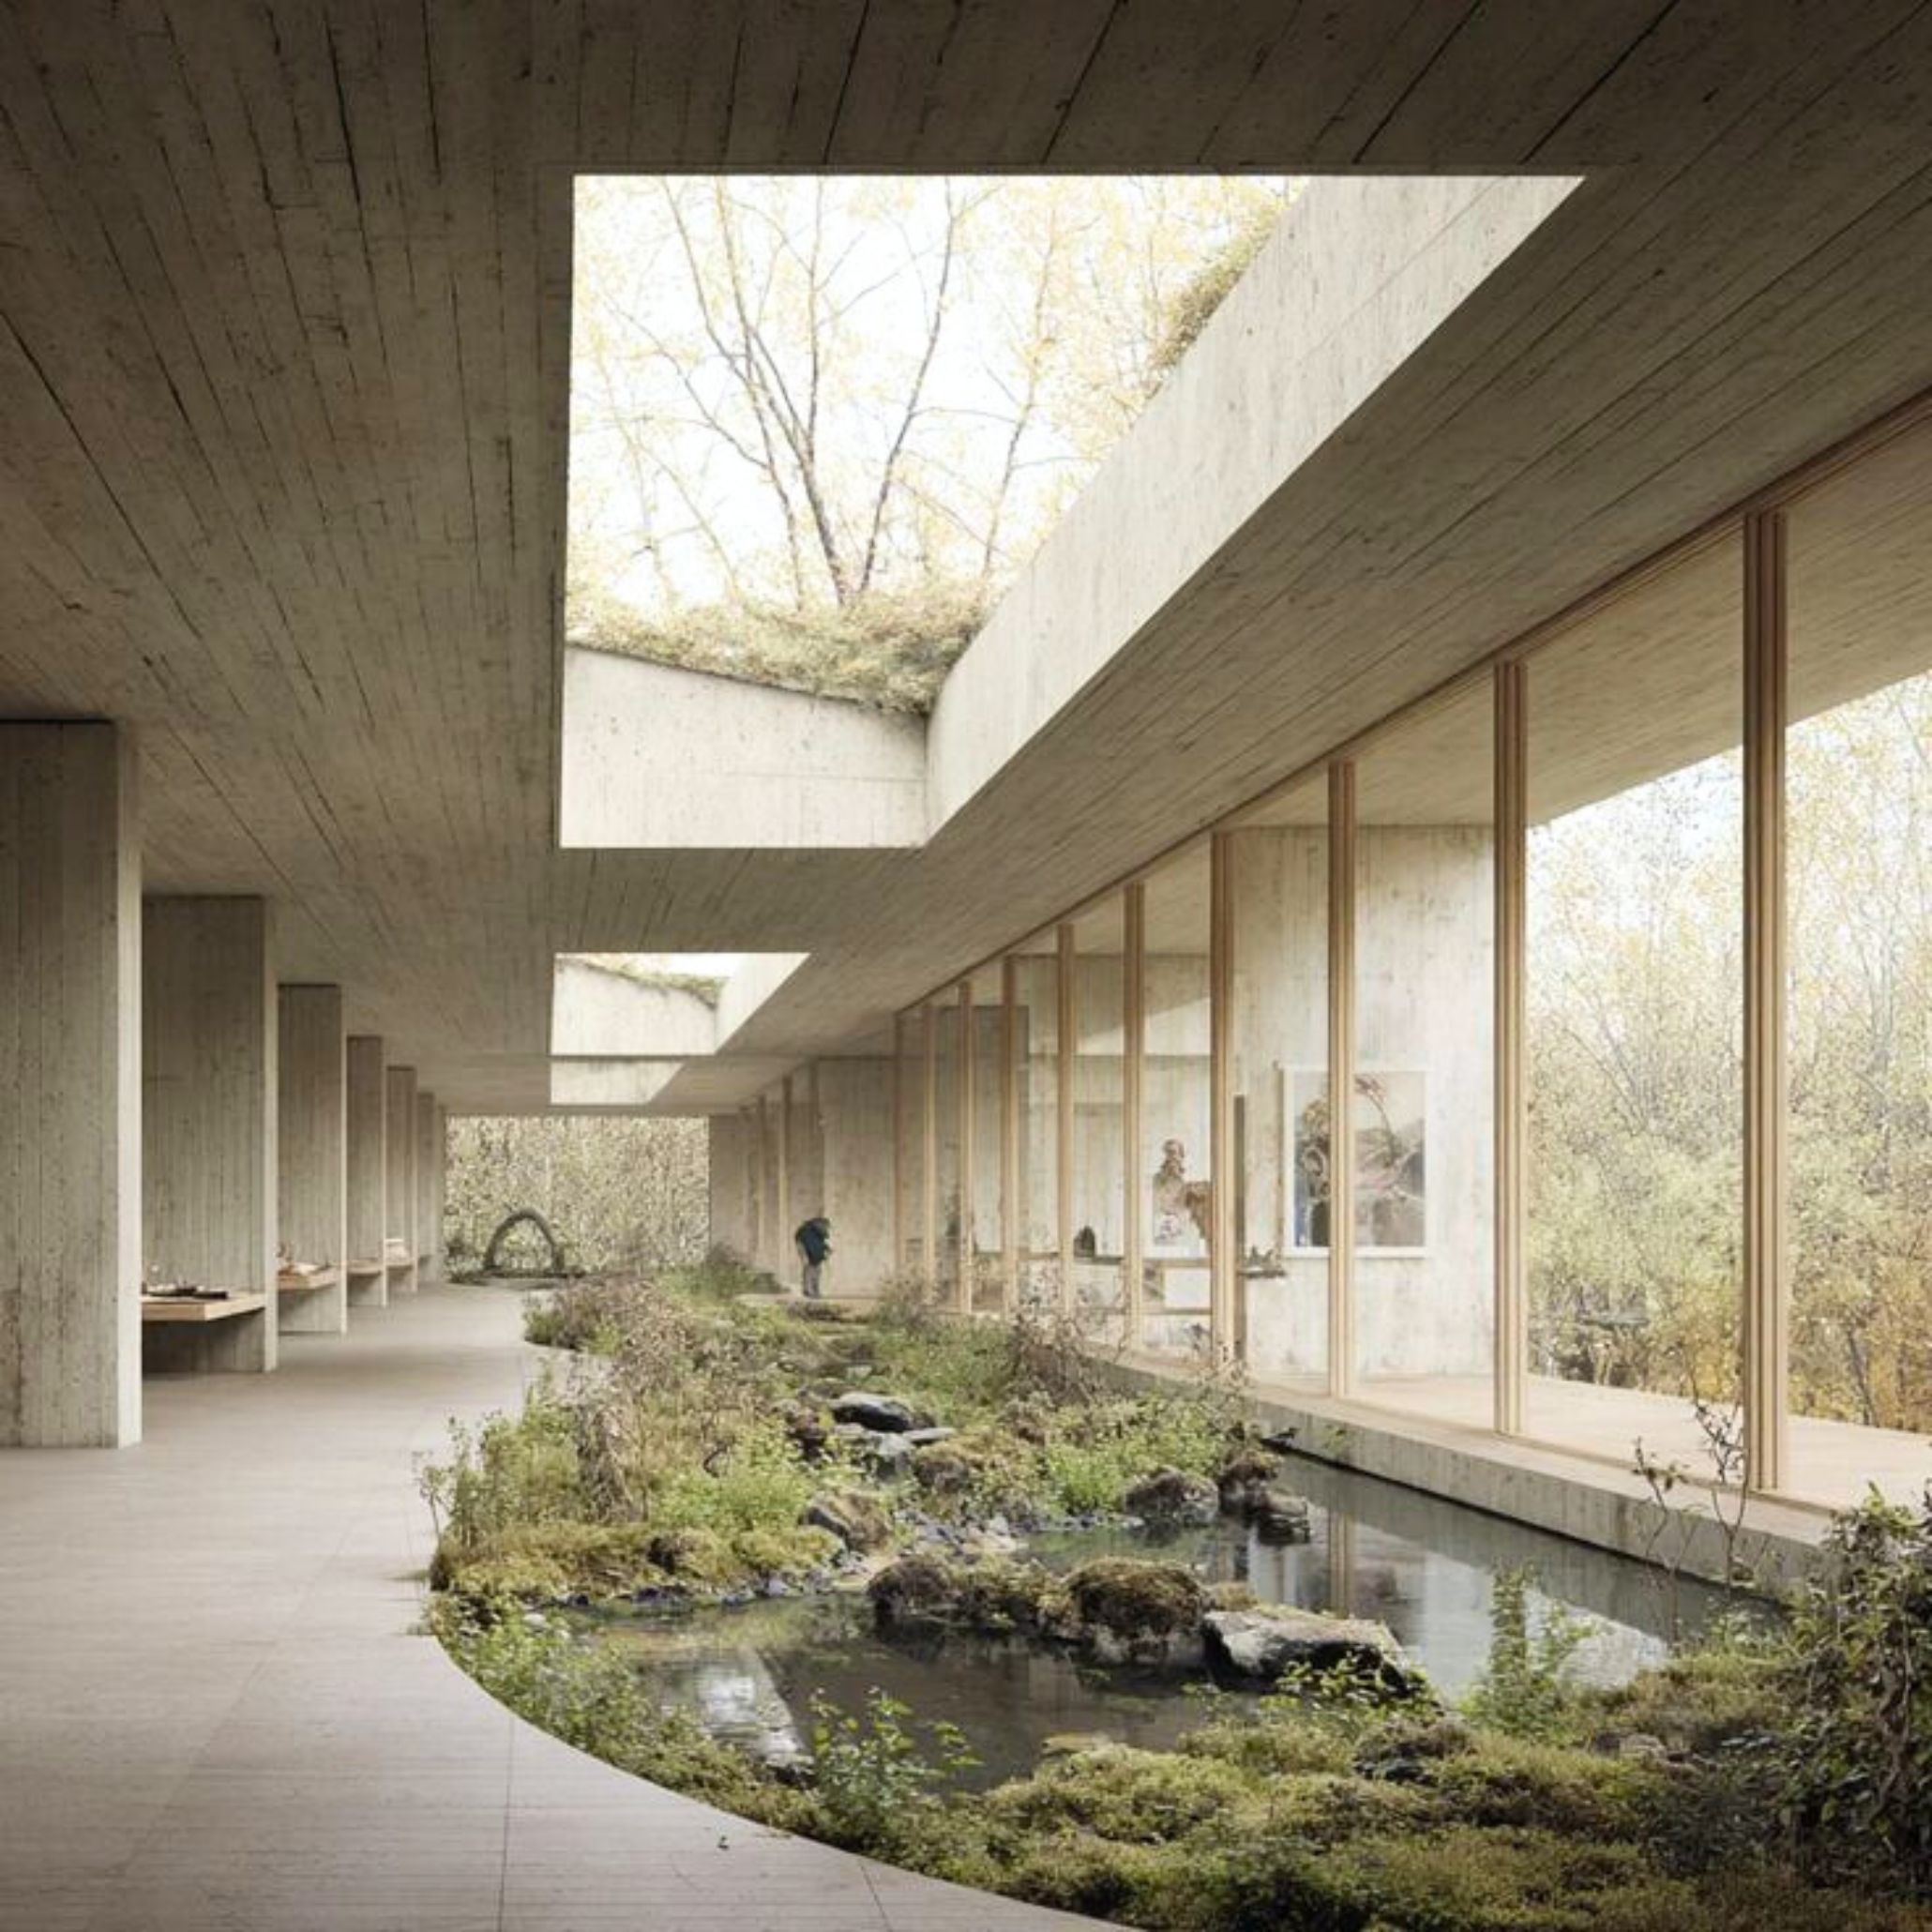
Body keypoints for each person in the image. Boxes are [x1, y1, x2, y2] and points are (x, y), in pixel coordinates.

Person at [794, 1215, 831, 1299]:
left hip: (809, 1250)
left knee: (816, 1270)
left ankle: (813, 1289)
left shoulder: (817, 1232)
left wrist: (826, 1248)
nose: (827, 1229)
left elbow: (819, 1244)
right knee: (809, 1267)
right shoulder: (808, 1231)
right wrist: (821, 1255)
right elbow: (811, 1246)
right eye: (826, 1227)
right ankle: (808, 1290)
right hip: (805, 1249)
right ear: (820, 1224)